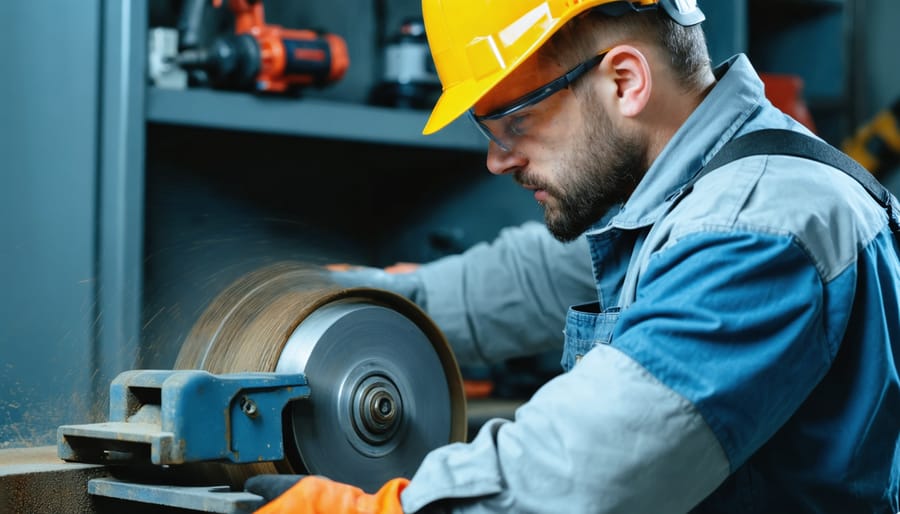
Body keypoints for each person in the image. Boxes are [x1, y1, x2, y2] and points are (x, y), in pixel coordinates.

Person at [246, 0, 900, 512]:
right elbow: (530, 279)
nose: (497, 159)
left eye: (514, 123)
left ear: (624, 81)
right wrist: (344, 305)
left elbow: (579, 478)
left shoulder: (760, 228)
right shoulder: (692, 199)